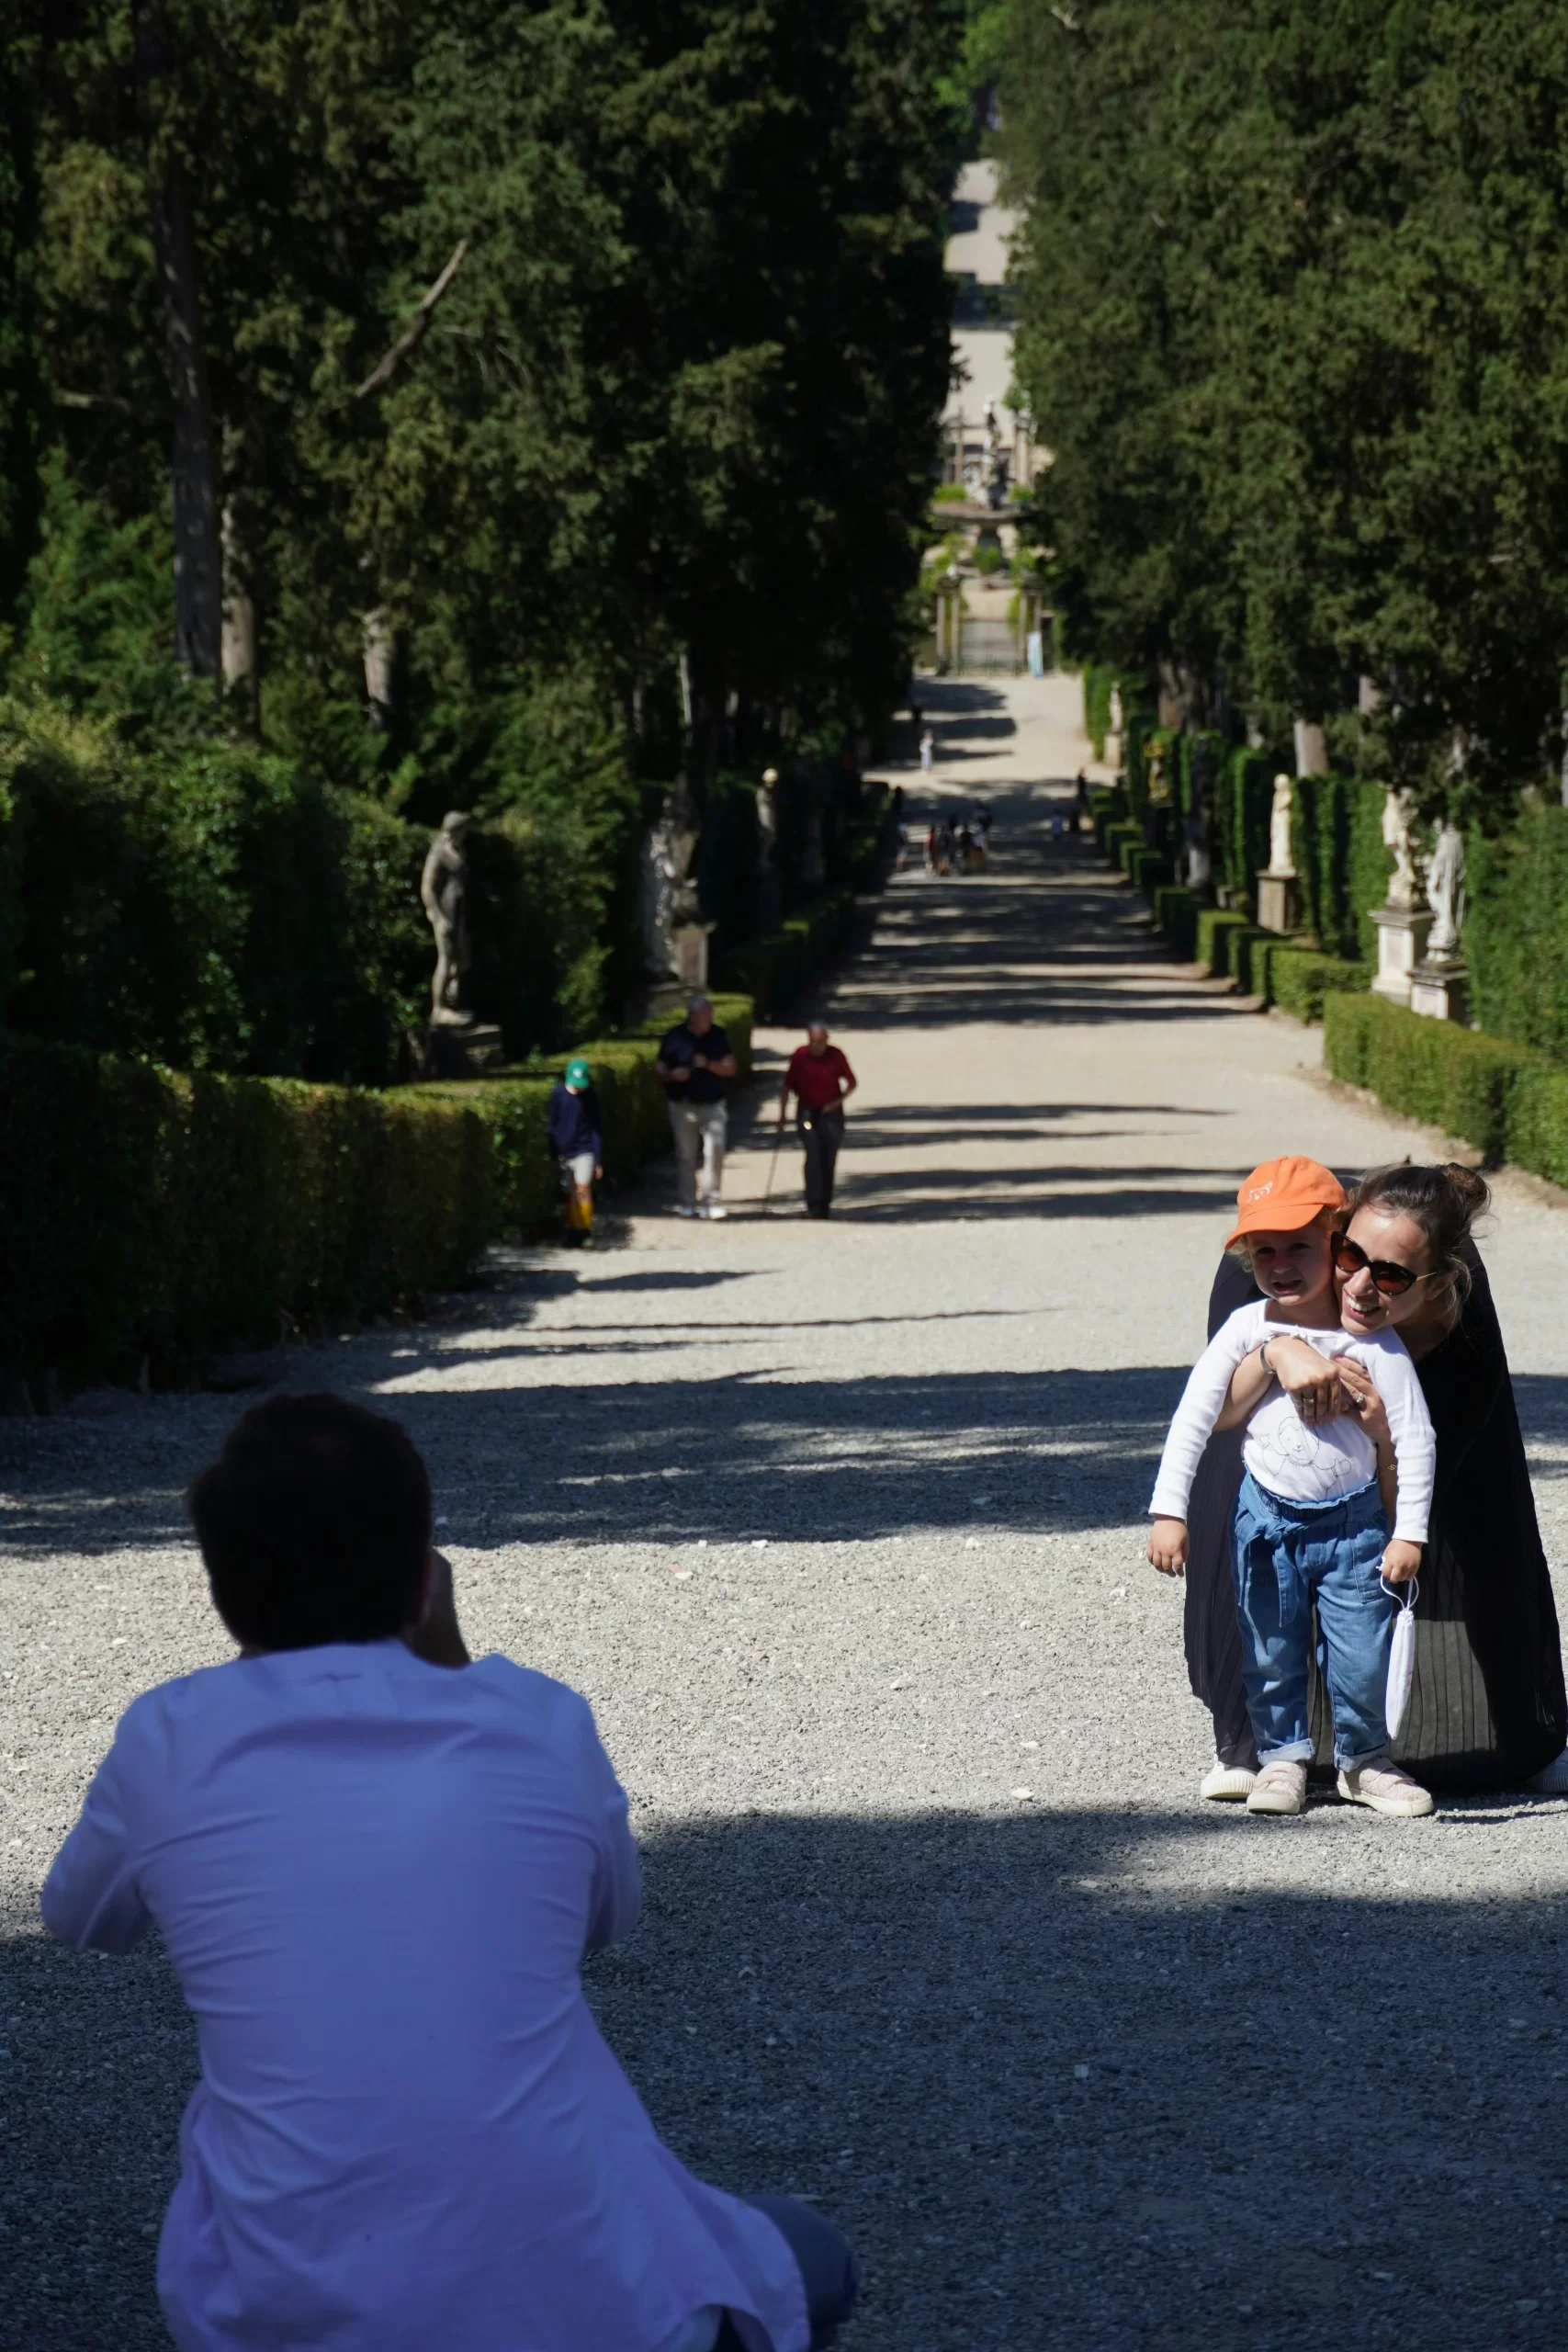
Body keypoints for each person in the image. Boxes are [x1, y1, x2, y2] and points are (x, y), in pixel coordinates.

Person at [41, 1395, 856, 2352]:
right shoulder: (541, 1721)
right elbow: (603, 1916)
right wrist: (459, 1665)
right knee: (814, 2257)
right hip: (586, 2313)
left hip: (272, 2317)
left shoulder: (168, 1738)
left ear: (222, 1595)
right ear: (426, 1583)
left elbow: (77, 1916)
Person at [1183, 1161, 1568, 1797]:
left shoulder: (1460, 1324)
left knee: (1468, 1514)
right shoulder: (1262, 1272)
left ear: (1436, 1284)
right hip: (1262, 1393)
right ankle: (1249, 1738)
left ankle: (1515, 1729)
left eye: (1389, 1276)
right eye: (1347, 1255)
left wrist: (1382, 1437)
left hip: (1415, 1430)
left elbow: (1404, 1506)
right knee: (1244, 1485)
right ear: (1332, 1233)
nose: (1361, 1285)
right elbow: (1215, 1416)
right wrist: (1276, 1349)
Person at [1148, 1157, 1437, 1818]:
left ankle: (1363, 1762)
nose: (1279, 1264)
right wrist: (1169, 1511)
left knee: (1362, 1652)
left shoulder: (1374, 1338)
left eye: (1298, 1246)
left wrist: (1408, 1532)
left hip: (1354, 1528)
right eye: (1262, 1250)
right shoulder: (1246, 1327)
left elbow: (1414, 1439)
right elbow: (1195, 1416)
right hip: (1266, 1522)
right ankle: (1282, 1757)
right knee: (1270, 1649)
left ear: (1336, 1239)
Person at [656, 993, 737, 1221]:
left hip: (713, 1104)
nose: (710, 1018)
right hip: (683, 1105)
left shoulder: (718, 1035)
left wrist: (709, 1064)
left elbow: (730, 1068)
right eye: (706, 1015)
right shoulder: (674, 1037)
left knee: (715, 1152)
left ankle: (711, 1202)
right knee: (686, 1155)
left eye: (711, 1014)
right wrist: (673, 1076)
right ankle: (688, 1202)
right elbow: (659, 1070)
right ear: (693, 1016)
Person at [777, 1022, 858, 1219]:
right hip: (807, 1114)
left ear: (827, 1039)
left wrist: (837, 1103)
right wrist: (782, 1116)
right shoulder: (800, 1056)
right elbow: (787, 1086)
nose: (817, 1046)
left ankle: (825, 1205)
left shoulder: (836, 1055)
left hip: (831, 1114)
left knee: (828, 1157)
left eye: (820, 1042)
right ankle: (813, 1204)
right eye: (813, 1042)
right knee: (813, 1152)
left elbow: (851, 1083)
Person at [547, 1055, 603, 1247]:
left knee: (583, 1187)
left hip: (584, 1149)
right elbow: (552, 1126)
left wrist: (598, 1159)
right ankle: (573, 1231)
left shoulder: (591, 1097)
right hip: (564, 1151)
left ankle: (585, 1231)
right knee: (571, 1193)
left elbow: (596, 1129)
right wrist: (553, 1152)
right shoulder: (558, 1095)